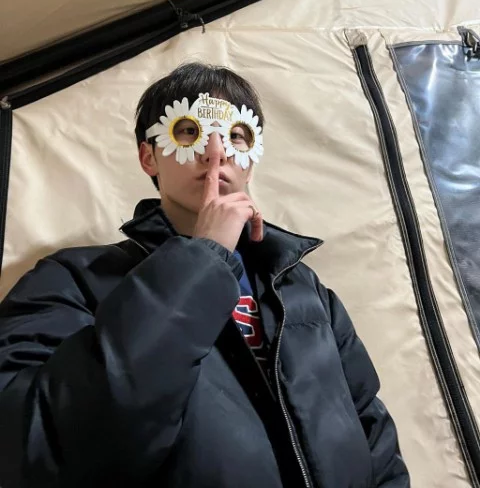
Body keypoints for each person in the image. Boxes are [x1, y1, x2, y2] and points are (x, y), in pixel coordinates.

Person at [0, 62, 409, 488]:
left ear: (251, 161)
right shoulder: (73, 279)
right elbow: (32, 447)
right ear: (148, 157)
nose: (217, 152)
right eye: (188, 131)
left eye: (236, 135)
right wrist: (204, 256)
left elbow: (374, 433)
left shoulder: (306, 290)